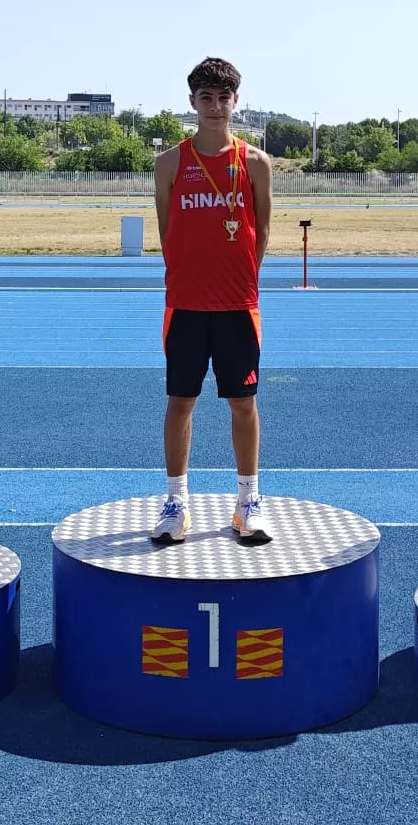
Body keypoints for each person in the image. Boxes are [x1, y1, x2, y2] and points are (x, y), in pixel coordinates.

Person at [151, 57, 275, 546]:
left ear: (236, 101)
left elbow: (261, 232)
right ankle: (176, 503)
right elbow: (168, 232)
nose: (216, 107)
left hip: (237, 304)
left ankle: (248, 502)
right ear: (192, 102)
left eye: (224, 98)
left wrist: (237, 278)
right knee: (180, 401)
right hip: (185, 303)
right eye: (206, 98)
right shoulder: (169, 163)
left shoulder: (256, 163)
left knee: (243, 402)